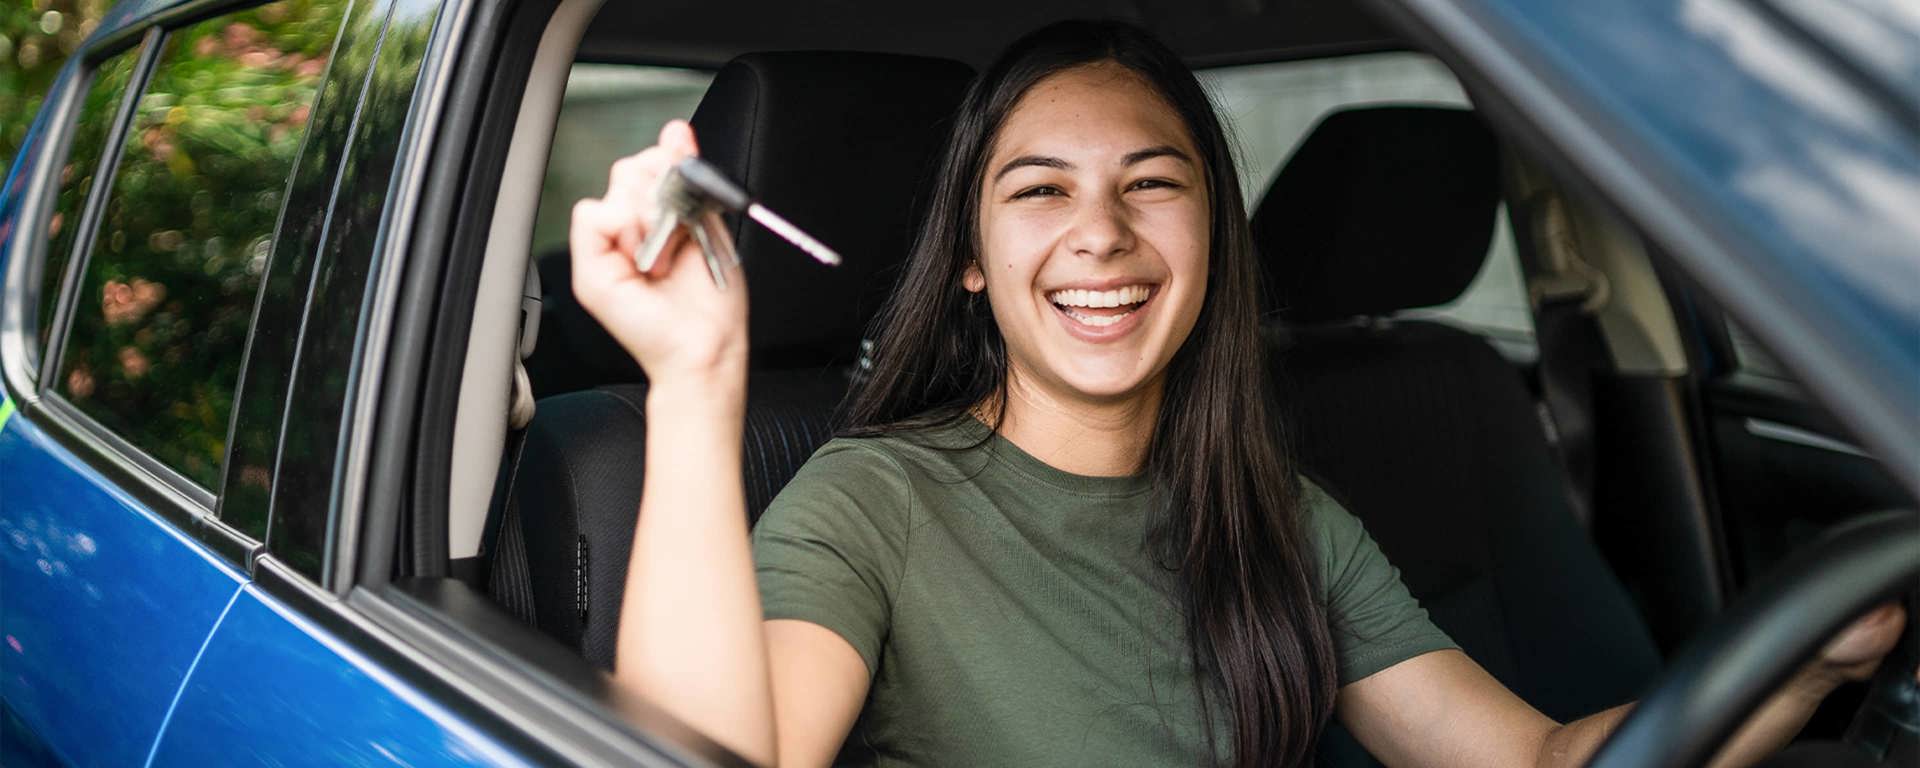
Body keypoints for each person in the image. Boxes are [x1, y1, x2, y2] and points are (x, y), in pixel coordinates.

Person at [566, 20, 1908, 768]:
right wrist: (695, 381)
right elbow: (716, 762)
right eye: (1040, 193)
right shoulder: (879, 500)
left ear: (1213, 238)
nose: (1103, 234)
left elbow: (1541, 767)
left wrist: (1799, 668)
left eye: (1153, 184)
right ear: (971, 262)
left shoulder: (1278, 516)